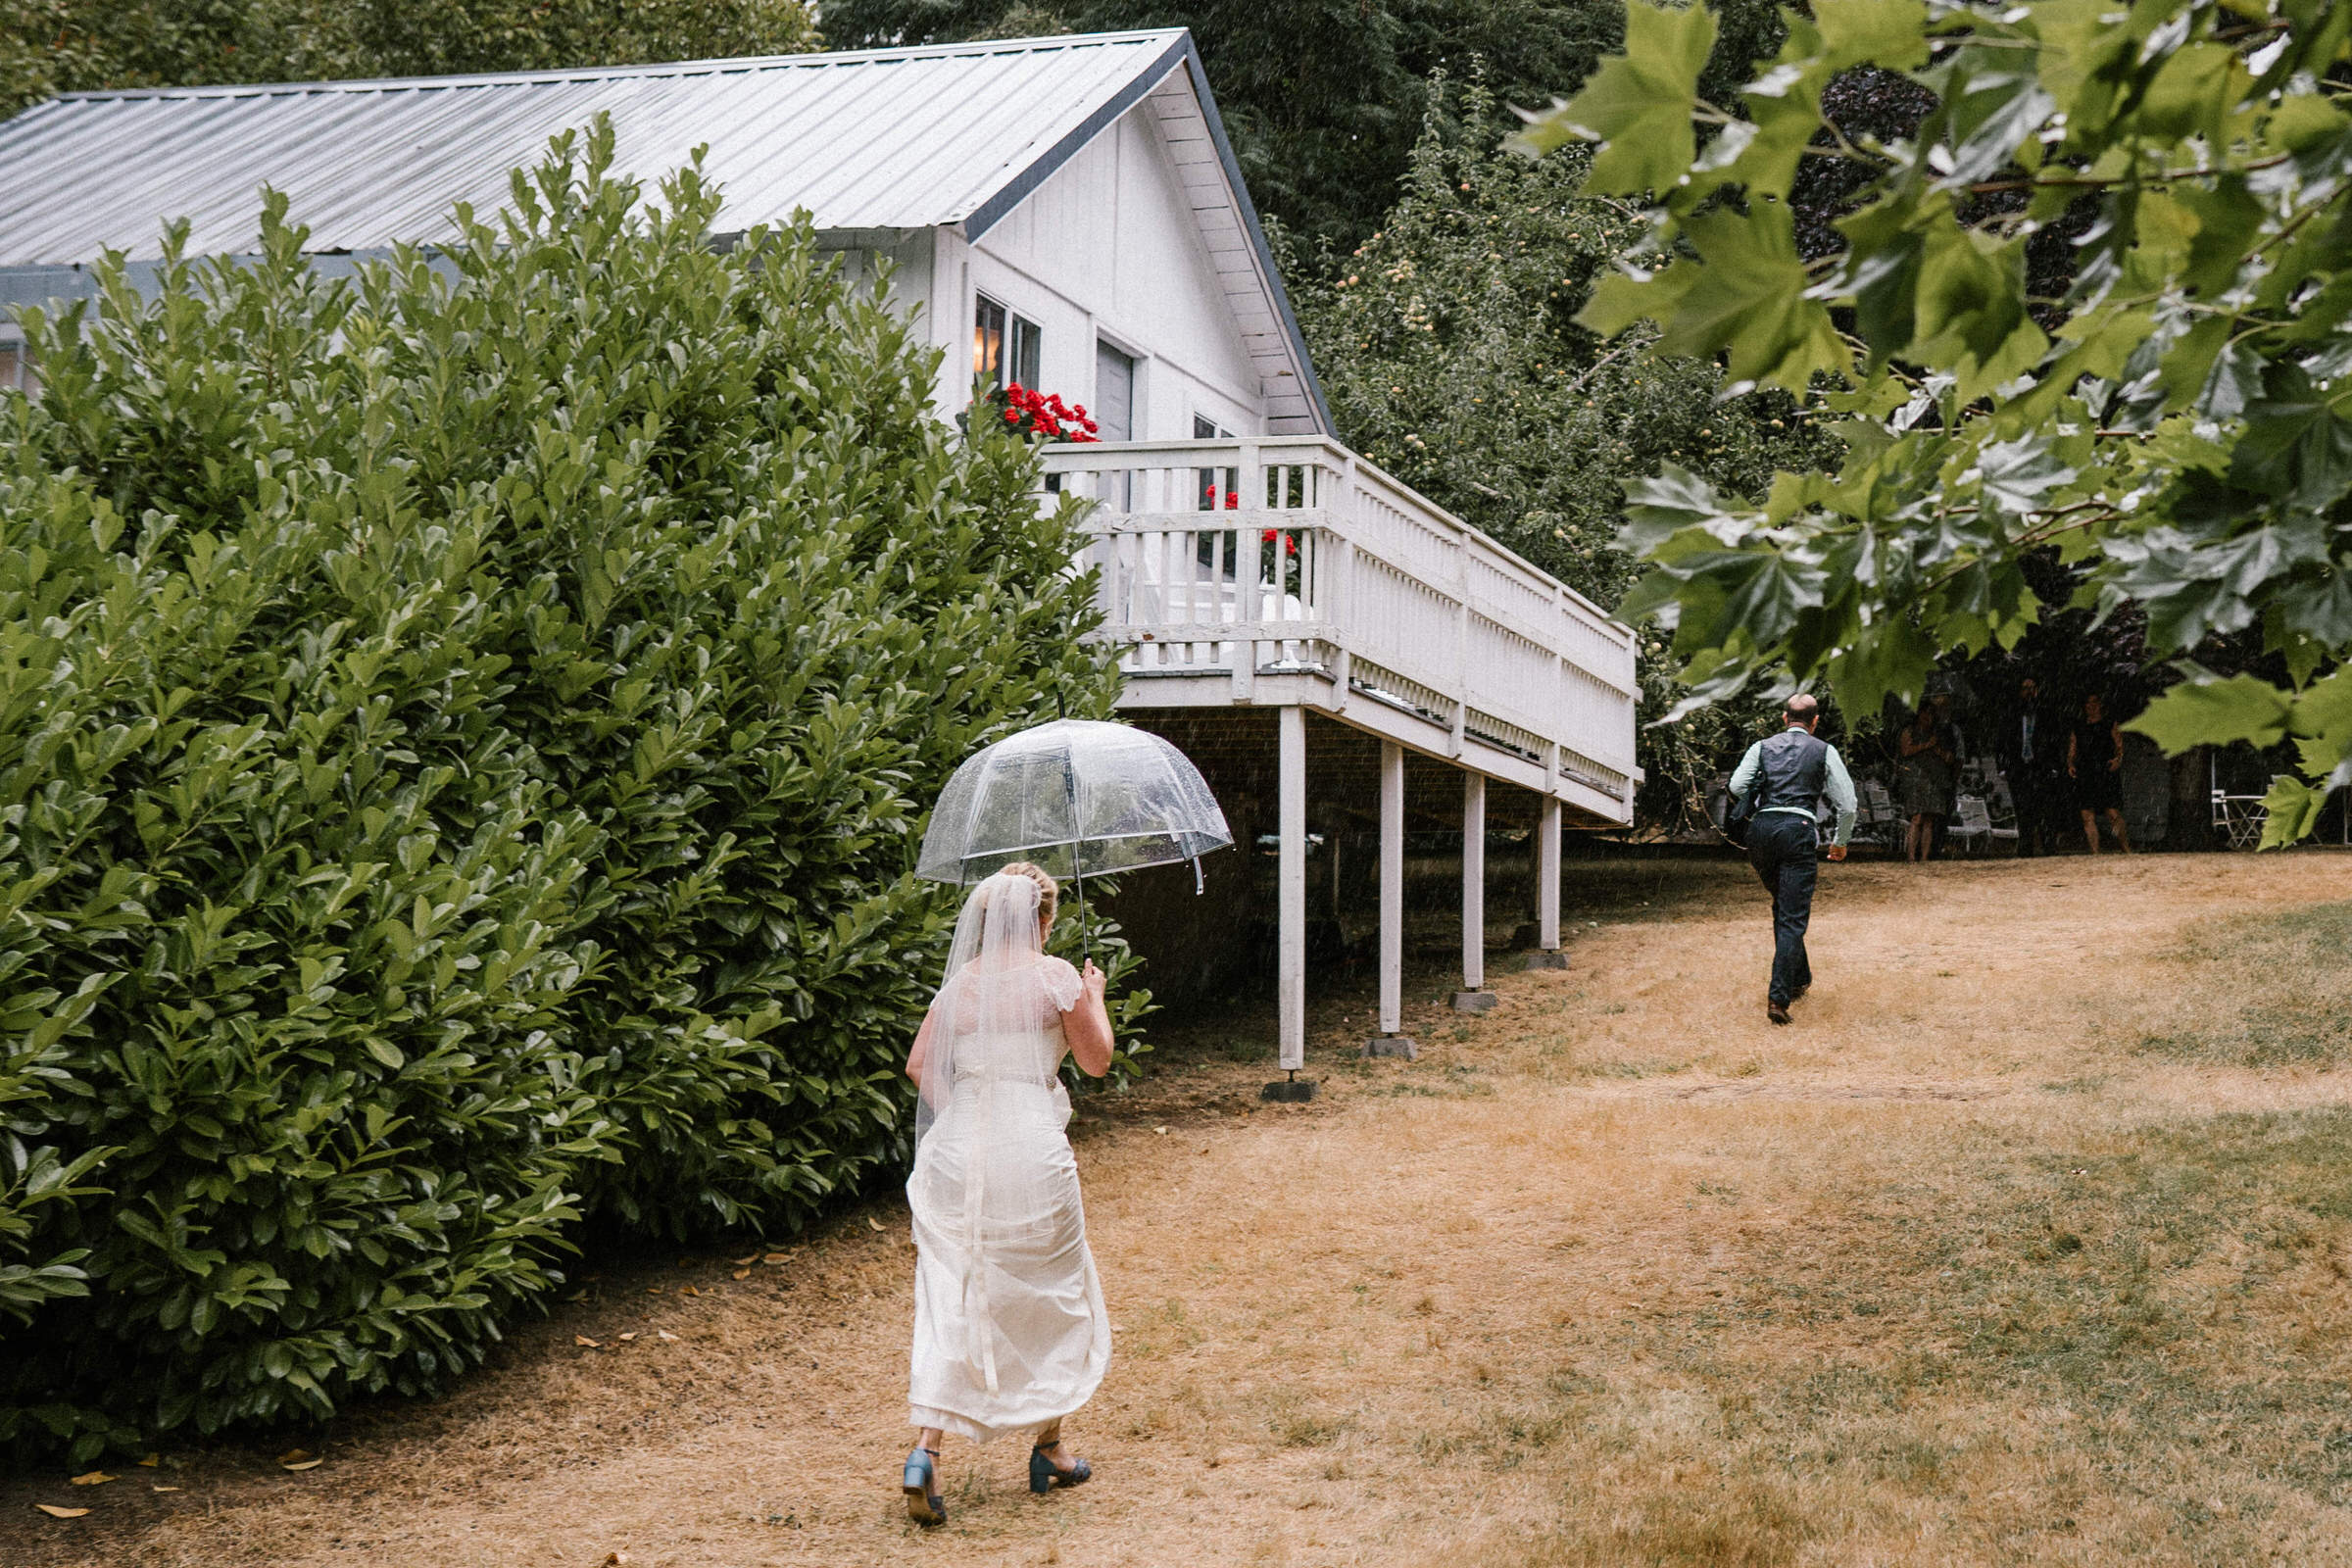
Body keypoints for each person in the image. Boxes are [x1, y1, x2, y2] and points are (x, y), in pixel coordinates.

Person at [900, 862, 1116, 1527]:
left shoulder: (961, 985)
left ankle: (925, 1453)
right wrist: (1094, 993)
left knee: (959, 1290)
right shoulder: (1055, 979)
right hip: (1030, 1149)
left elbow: (919, 1065)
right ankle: (1048, 1446)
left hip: (962, 1150)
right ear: (1044, 920)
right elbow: (1097, 1060)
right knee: (1053, 1291)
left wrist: (968, 1112)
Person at [1729, 694, 1856, 1025]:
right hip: (1797, 829)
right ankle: (1778, 997)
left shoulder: (1762, 746)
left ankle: (1800, 978)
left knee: (1783, 907)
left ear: (1785, 719)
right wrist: (1840, 842)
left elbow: (1736, 784)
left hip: (1761, 830)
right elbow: (1849, 804)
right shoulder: (1823, 750)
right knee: (1792, 917)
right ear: (1815, 722)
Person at [1995, 675, 2057, 856]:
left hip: (2041, 768)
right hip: (2019, 768)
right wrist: (2003, 767)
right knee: (2023, 811)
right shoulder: (2011, 715)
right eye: (2025, 688)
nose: (2029, 692)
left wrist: (2053, 766)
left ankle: (2049, 849)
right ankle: (2025, 849)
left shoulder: (2045, 714)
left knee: (2045, 810)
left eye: (2032, 688)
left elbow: (2054, 741)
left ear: (2037, 690)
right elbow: (2001, 741)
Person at [2068, 693, 2132, 855]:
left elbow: (2119, 746)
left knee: (2112, 813)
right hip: (2086, 771)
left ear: (2100, 704)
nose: (2092, 706)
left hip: (2105, 770)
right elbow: (2072, 748)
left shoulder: (2110, 723)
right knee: (2086, 814)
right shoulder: (2079, 726)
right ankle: (2095, 852)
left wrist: (2118, 759)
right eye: (2088, 703)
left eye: (2095, 702)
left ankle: (2126, 848)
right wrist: (2070, 764)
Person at [1894, 703, 1957, 862]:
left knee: (1930, 818)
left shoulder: (1939, 733)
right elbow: (1905, 750)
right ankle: (1911, 856)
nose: (1927, 717)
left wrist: (1938, 750)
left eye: (1931, 714)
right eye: (1925, 713)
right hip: (1916, 778)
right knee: (1917, 816)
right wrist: (1925, 745)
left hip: (1935, 779)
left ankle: (1924, 856)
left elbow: (1950, 758)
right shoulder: (1910, 731)